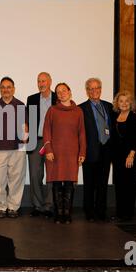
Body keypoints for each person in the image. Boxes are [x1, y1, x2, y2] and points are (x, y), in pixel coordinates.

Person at [43, 83, 86, 224]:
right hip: (55, 152)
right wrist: (48, 150)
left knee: (68, 182)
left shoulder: (78, 111)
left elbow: (82, 133)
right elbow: (47, 131)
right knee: (56, 182)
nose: (61, 93)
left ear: (70, 91)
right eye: (58, 92)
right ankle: (58, 212)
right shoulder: (52, 110)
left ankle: (67, 213)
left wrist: (82, 152)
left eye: (64, 90)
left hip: (72, 152)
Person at [0, 77, 28, 219]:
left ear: (13, 89)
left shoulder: (21, 105)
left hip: (17, 149)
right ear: (0, 89)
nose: (6, 89)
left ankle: (13, 207)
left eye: (9, 87)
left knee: (16, 179)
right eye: (3, 87)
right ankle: (1, 207)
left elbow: (25, 127)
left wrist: (24, 143)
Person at [79, 77, 114, 222]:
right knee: (89, 183)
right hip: (90, 150)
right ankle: (89, 212)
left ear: (101, 89)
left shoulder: (109, 106)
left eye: (97, 88)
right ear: (87, 91)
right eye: (91, 88)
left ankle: (101, 211)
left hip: (106, 150)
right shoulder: (81, 108)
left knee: (102, 183)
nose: (94, 91)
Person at [26, 72, 57, 218]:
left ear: (50, 82)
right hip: (36, 141)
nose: (41, 83)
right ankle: (37, 206)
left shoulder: (58, 98)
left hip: (53, 142)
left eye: (44, 80)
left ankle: (49, 206)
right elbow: (28, 120)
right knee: (34, 175)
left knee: (52, 175)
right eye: (39, 81)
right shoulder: (31, 99)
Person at [111, 91, 136, 222]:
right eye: (121, 101)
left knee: (129, 185)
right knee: (119, 185)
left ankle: (128, 214)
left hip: (130, 156)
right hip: (117, 156)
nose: (124, 103)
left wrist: (131, 155)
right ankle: (120, 212)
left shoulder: (135, 118)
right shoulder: (114, 117)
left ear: (131, 103)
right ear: (117, 103)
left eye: (127, 101)